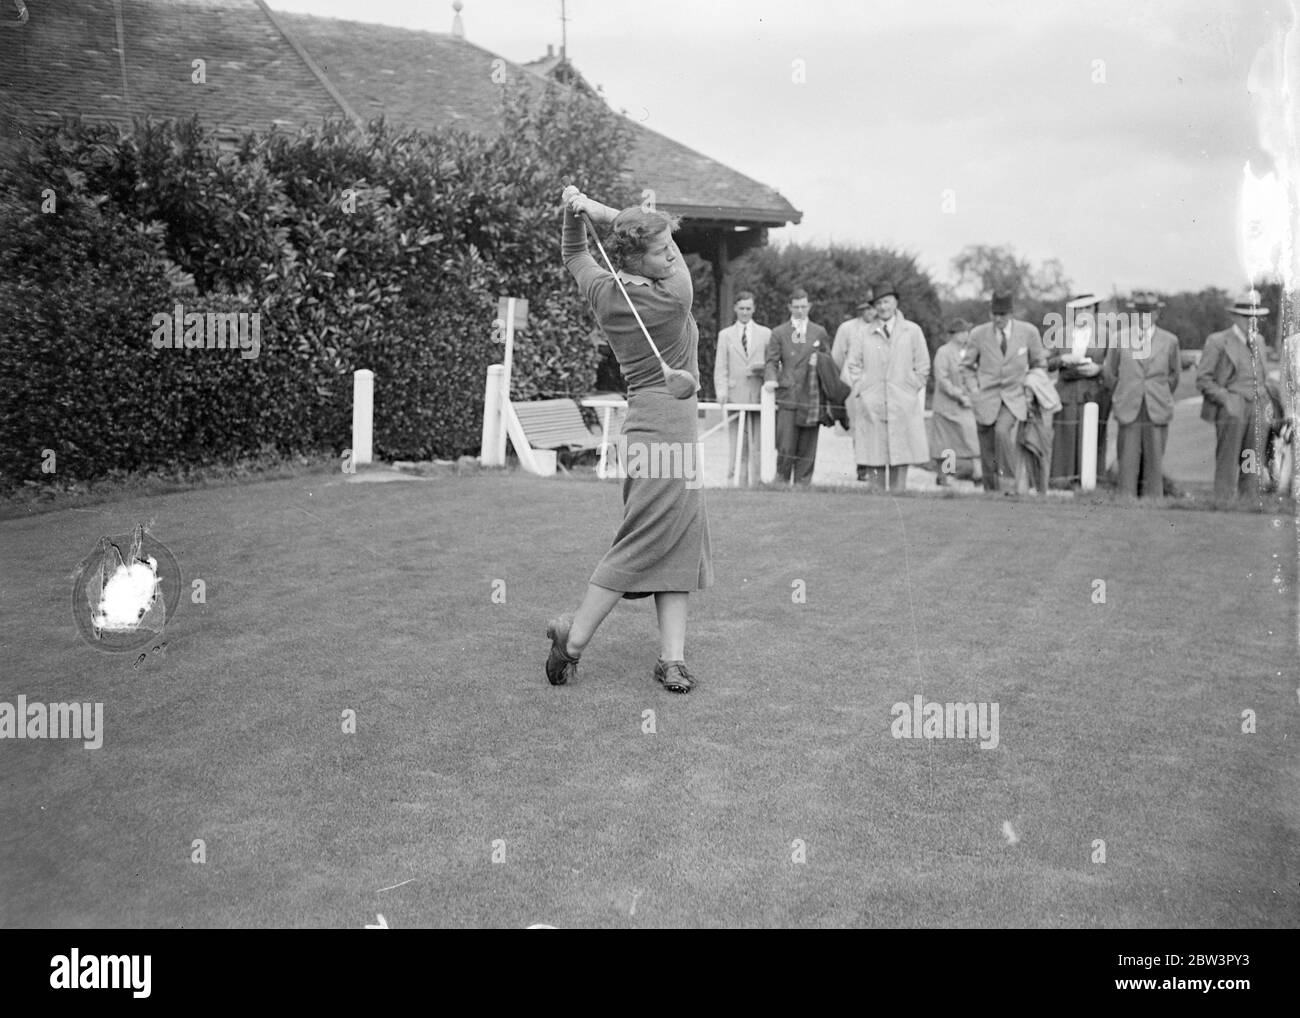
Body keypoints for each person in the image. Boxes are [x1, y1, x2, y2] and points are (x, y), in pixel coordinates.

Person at [546, 185, 713, 694]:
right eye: (662, 250)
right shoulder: (674, 295)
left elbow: (575, 252)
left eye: (669, 248)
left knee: (679, 544)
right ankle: (571, 641)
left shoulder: (604, 292)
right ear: (639, 256)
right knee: (642, 540)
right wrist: (595, 208)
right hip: (666, 433)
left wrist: (574, 213)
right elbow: (644, 239)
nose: (672, 253)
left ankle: (672, 660)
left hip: (652, 428)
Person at [841, 281, 931, 490]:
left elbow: (923, 366)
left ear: (896, 302)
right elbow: (852, 365)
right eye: (879, 303)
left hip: (902, 403)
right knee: (875, 460)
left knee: (901, 458)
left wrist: (910, 388)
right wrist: (864, 390)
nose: (883, 307)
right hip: (872, 405)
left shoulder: (912, 331)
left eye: (887, 301)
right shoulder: (863, 333)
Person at [966, 290, 1048, 492]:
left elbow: (1040, 364)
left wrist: (1031, 384)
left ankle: (1010, 487)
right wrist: (974, 391)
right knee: (986, 447)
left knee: (1002, 431)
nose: (998, 318)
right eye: (995, 314)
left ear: (1011, 313)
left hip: (1015, 396)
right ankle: (991, 492)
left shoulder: (1028, 332)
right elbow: (966, 366)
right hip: (985, 397)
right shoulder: (978, 334)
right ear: (989, 313)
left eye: (1003, 314)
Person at [1104, 291, 1181, 498]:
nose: (1144, 317)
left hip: (1156, 407)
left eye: (1149, 312)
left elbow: (1174, 376)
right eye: (1140, 312)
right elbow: (1110, 373)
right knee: (1127, 460)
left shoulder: (1170, 341)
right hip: (1129, 406)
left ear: (1157, 314)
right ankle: (1125, 500)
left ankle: (1153, 501)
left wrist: (1157, 393)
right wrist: (1125, 392)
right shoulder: (1119, 338)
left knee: (1155, 460)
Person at [1197, 289, 1270, 501]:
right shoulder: (1218, 341)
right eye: (1247, 317)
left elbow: (1263, 376)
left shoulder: (1260, 342)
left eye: (1256, 317)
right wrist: (1226, 400)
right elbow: (1203, 379)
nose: (1251, 321)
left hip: (1257, 407)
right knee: (1227, 460)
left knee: (1252, 458)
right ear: (1235, 316)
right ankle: (1223, 503)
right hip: (1231, 406)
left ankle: (1248, 502)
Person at [764, 289, 831, 485]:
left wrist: (819, 361)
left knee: (808, 446)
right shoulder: (779, 332)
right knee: (785, 445)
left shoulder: (819, 332)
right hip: (789, 394)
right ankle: (781, 483)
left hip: (811, 396)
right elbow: (771, 361)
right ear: (789, 307)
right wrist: (771, 379)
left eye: (804, 306)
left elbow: (828, 362)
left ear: (809, 306)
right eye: (796, 307)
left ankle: (803, 485)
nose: (800, 310)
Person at [1047, 293, 1109, 488]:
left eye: (1087, 309)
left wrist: (1098, 369)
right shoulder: (1061, 333)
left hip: (1093, 392)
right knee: (1065, 436)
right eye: (1079, 309)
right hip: (1066, 391)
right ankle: (1061, 481)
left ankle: (1090, 482)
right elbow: (1047, 362)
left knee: (1091, 437)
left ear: (1095, 311)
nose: (1083, 313)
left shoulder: (1106, 334)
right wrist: (1063, 359)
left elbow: (1113, 365)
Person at [713, 291, 770, 486]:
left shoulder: (765, 334)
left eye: (748, 308)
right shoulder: (725, 335)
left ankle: (757, 482)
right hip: (734, 397)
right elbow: (721, 367)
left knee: (758, 443)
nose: (745, 312)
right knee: (737, 443)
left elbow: (772, 365)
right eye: (742, 308)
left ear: (753, 309)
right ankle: (734, 482)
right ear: (735, 309)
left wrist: (762, 371)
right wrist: (721, 393)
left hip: (757, 396)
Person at [928, 318, 981, 485]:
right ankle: (944, 475)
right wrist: (959, 394)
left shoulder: (967, 352)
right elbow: (942, 379)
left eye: (967, 332)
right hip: (946, 406)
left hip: (964, 405)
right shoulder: (944, 352)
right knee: (945, 443)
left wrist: (971, 395)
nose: (966, 335)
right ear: (954, 334)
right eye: (963, 332)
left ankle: (978, 473)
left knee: (972, 436)